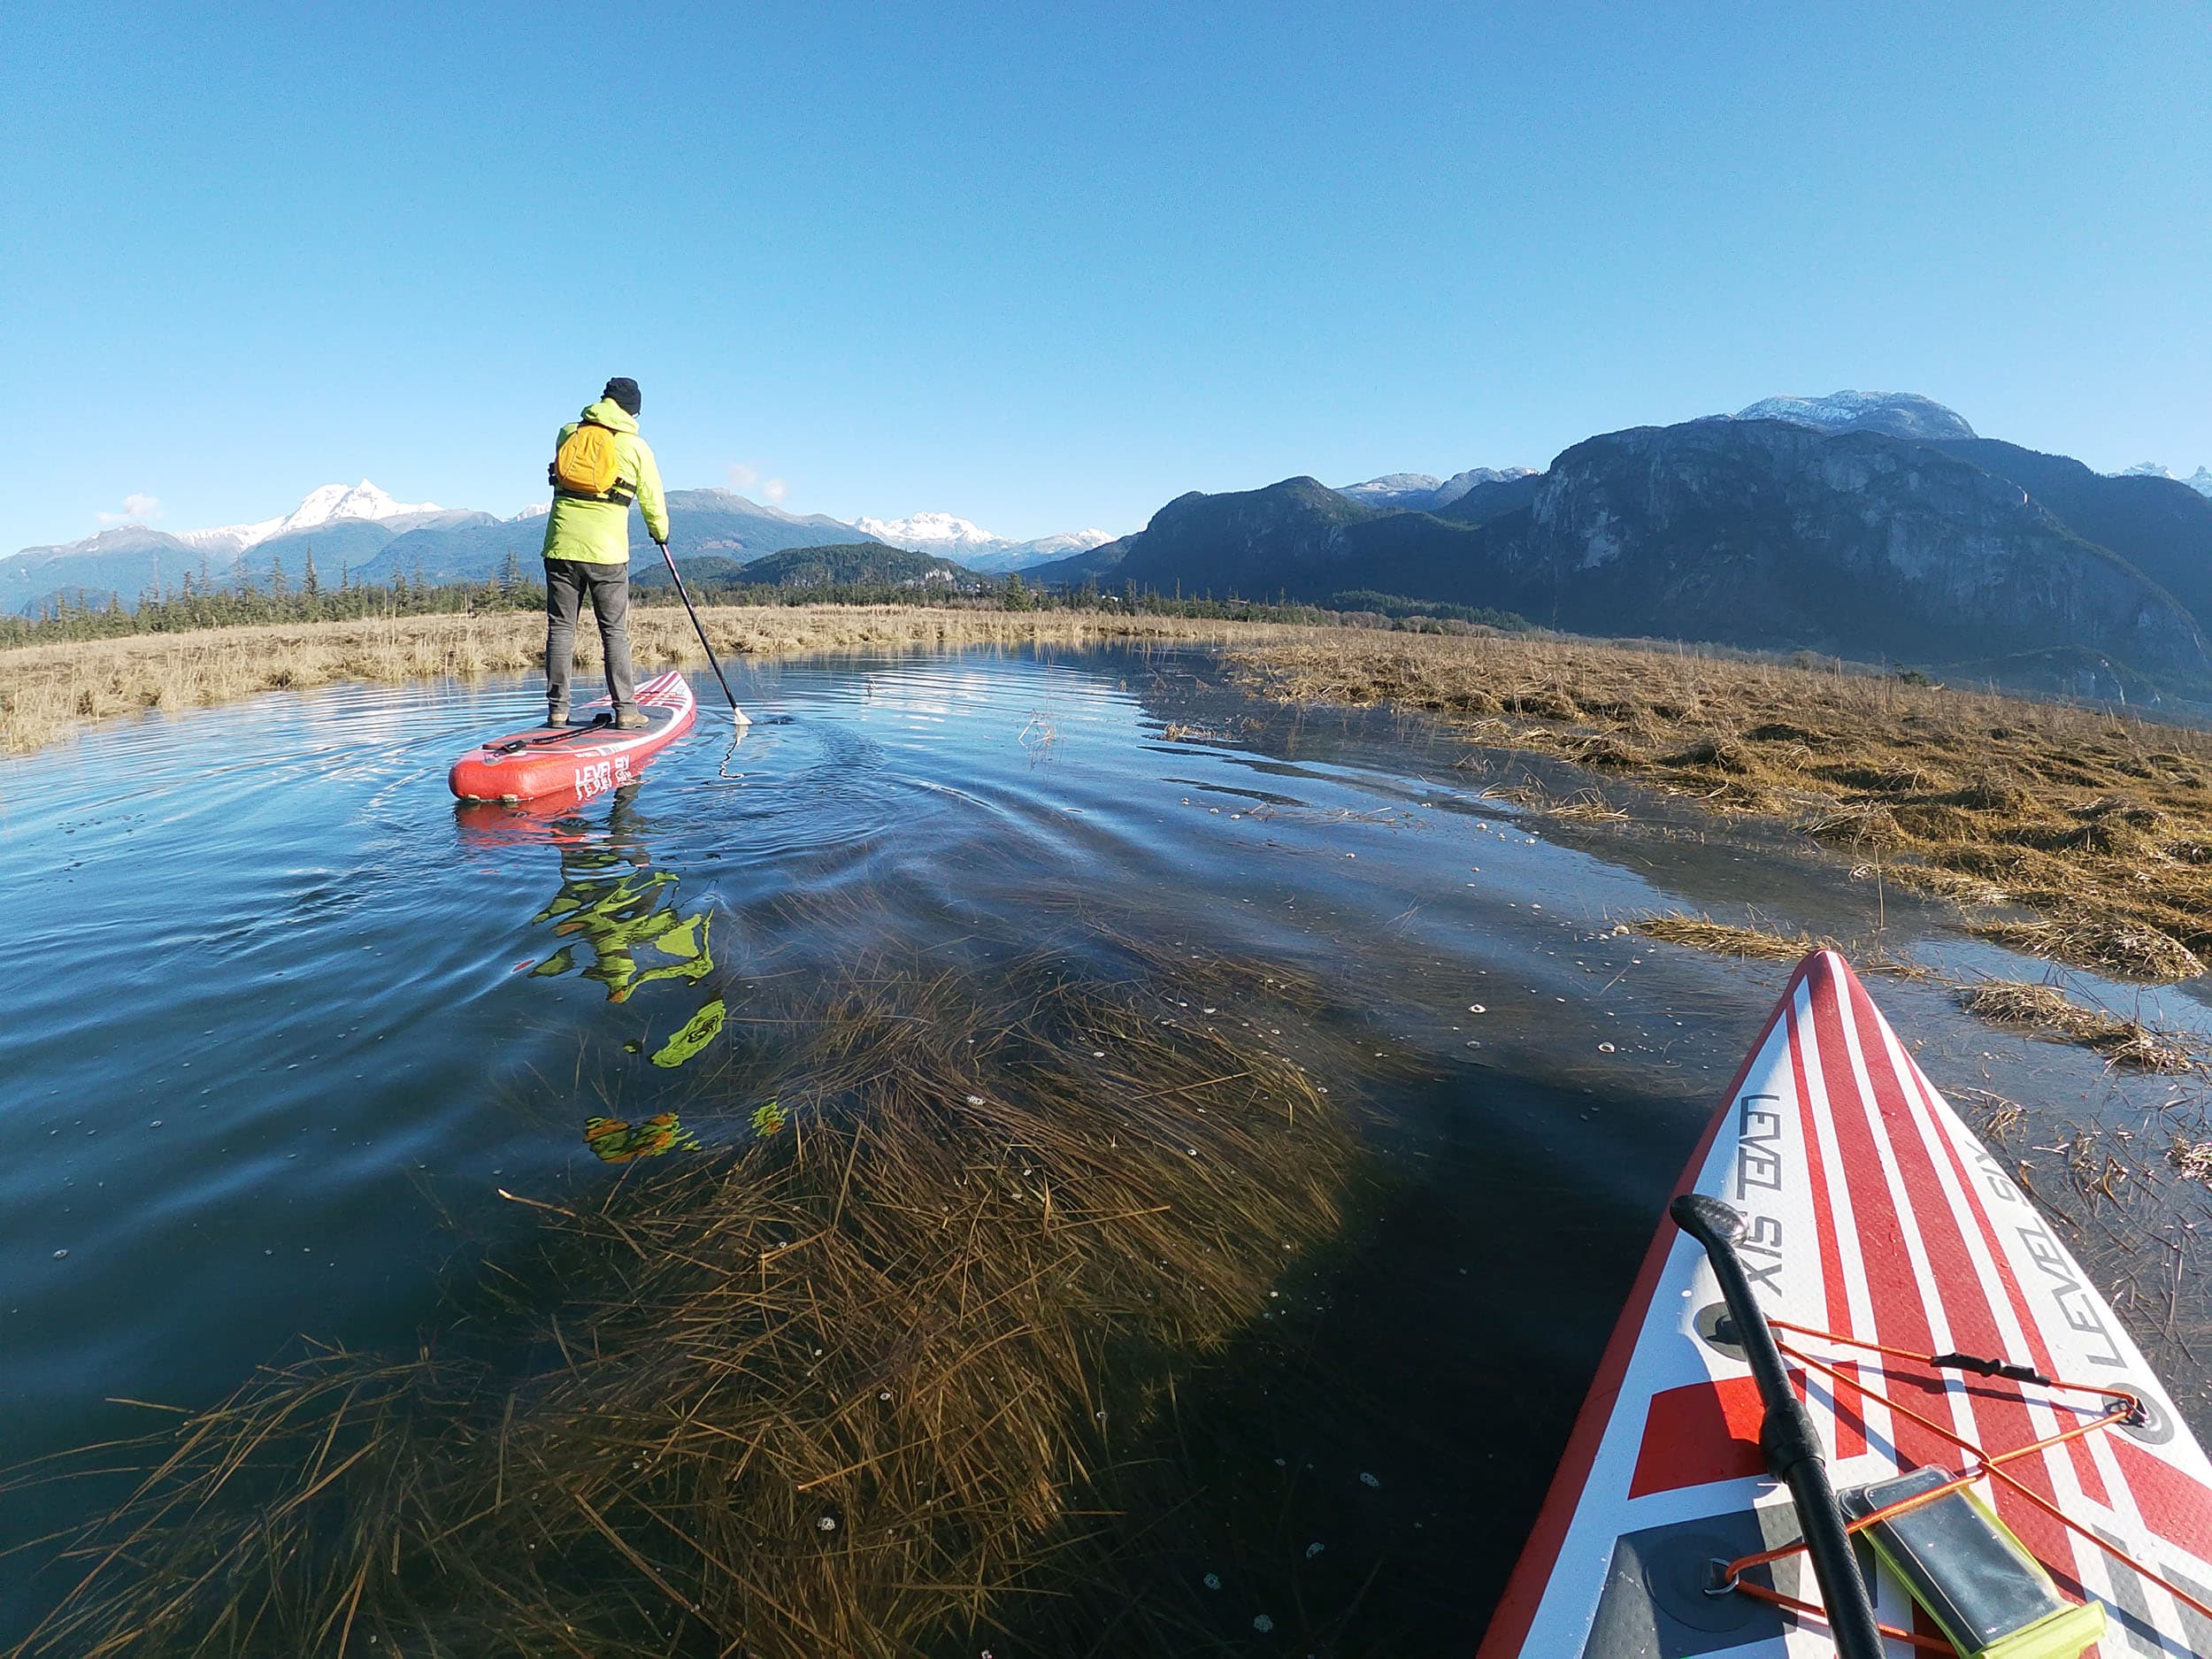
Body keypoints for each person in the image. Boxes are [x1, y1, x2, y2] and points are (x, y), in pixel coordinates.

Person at [541, 377, 670, 728]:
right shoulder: (636, 447)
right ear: (633, 411)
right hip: (608, 553)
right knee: (614, 631)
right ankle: (626, 711)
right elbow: (652, 500)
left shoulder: (568, 433)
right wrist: (660, 533)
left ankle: (557, 711)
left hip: (560, 545)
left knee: (561, 628)